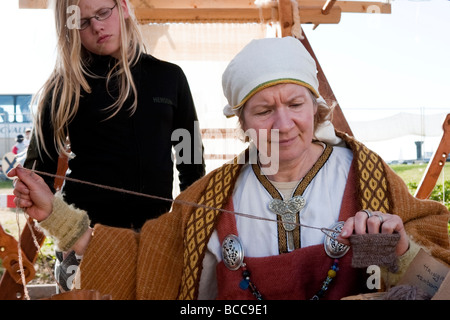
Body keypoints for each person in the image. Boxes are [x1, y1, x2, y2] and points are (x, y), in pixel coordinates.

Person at [10, 37, 450, 300]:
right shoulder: (211, 197)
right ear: (241, 122)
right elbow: (148, 263)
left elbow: (429, 283)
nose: (283, 124)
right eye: (263, 110)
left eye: (295, 104)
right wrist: (55, 216)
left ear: (316, 108)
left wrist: (398, 252)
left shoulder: (365, 176)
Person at [24, 0, 205, 230]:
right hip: (83, 236)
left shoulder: (170, 77)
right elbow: (37, 172)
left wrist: (188, 218)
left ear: (123, 8)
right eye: (82, 22)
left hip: (154, 235)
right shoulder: (64, 86)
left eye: (103, 13)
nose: (97, 27)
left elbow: (191, 157)